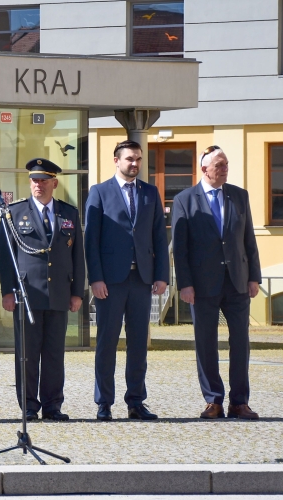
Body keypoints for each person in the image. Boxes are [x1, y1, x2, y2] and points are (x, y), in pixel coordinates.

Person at [171, 145, 262, 420]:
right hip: (202, 285)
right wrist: (185, 283)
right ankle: (213, 400)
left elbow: (248, 240)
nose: (224, 169)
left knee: (241, 343)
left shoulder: (239, 196)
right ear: (204, 169)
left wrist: (254, 276)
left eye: (226, 164)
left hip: (237, 282)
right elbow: (181, 248)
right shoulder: (185, 199)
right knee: (206, 343)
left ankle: (239, 401)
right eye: (219, 165)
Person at [84, 140, 168, 421]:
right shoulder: (99, 192)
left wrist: (161, 275)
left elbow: (159, 235)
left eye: (139, 159)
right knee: (107, 342)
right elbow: (90, 241)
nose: (135, 164)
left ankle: (135, 401)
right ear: (116, 160)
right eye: (130, 158)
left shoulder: (150, 193)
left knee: (138, 344)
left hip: (141, 279)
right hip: (110, 281)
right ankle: (104, 402)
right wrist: (95, 278)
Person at [0, 159, 85, 421]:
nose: (39, 184)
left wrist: (77, 291)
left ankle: (53, 405)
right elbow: (5, 256)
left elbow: (78, 255)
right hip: (27, 294)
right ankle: (29, 406)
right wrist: (8, 291)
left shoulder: (69, 213)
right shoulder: (14, 212)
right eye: (35, 180)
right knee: (27, 354)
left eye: (44, 180)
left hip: (59, 293)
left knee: (54, 354)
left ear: (54, 183)